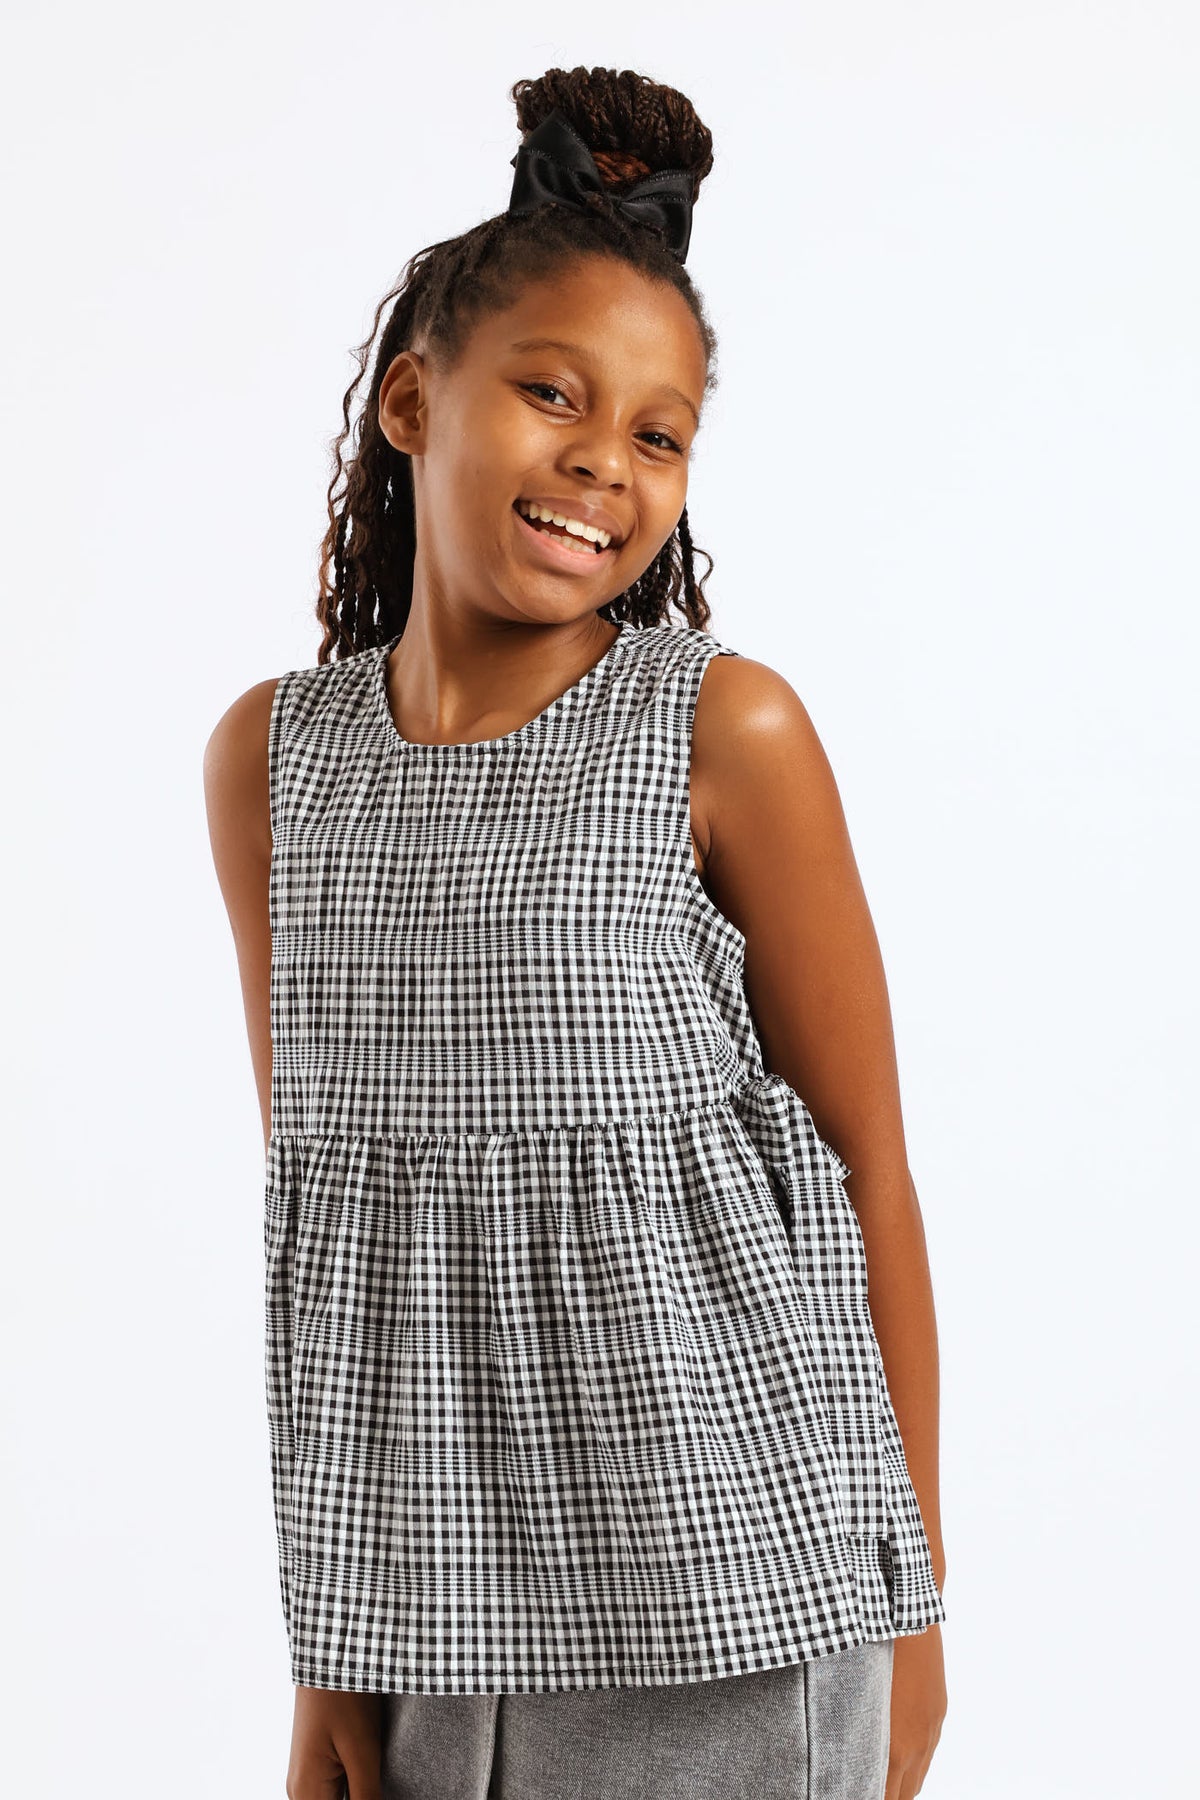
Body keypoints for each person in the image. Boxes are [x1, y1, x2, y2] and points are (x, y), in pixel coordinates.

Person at [205, 63, 948, 1800]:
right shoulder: (273, 763)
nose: (604, 464)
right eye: (554, 393)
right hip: (427, 1612)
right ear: (413, 399)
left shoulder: (721, 728)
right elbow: (323, 1221)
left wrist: (913, 1614)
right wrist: (329, 1655)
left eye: (658, 433)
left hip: (741, 1594)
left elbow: (868, 1168)